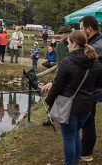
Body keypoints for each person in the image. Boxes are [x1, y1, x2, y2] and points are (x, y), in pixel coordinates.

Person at [44, 30, 102, 165]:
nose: (68, 46)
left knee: (69, 137)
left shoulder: (67, 62)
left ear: (75, 44)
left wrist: (49, 101)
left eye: (68, 43)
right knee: (75, 133)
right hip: (87, 106)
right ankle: (75, 161)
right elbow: (98, 84)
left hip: (70, 107)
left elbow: (57, 86)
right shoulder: (95, 62)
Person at [79, 16, 102, 162]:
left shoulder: (96, 46)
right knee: (87, 120)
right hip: (93, 87)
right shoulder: (94, 41)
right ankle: (85, 150)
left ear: (89, 29)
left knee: (88, 121)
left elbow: (85, 67)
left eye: (81, 28)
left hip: (94, 88)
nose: (80, 31)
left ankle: (87, 153)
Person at [42, 24, 72, 126]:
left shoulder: (76, 43)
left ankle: (67, 117)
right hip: (61, 73)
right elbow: (59, 62)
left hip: (72, 74)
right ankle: (50, 118)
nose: (60, 35)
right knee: (54, 94)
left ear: (68, 33)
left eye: (62, 33)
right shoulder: (60, 45)